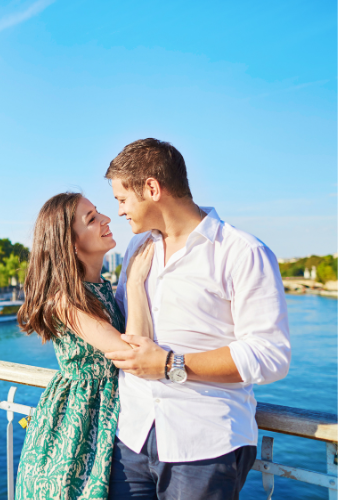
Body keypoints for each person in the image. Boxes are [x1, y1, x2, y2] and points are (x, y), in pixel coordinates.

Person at [103, 138, 291, 500]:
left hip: (203, 446)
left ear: (152, 188)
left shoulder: (243, 252)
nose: (120, 211)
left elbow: (271, 356)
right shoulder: (136, 249)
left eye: (122, 199)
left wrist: (172, 364)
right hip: (132, 435)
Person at [15, 192, 155, 500]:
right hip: (78, 425)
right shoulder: (64, 301)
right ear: (71, 244)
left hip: (102, 415)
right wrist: (134, 283)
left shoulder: (99, 289)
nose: (106, 219)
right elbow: (132, 354)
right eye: (91, 219)